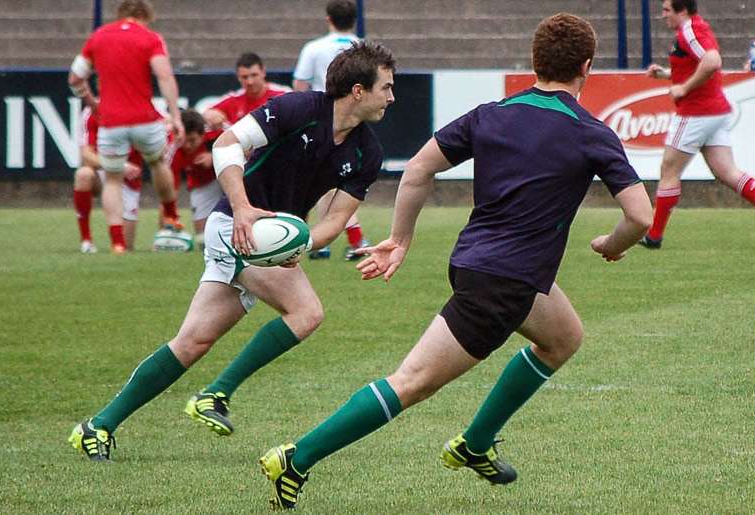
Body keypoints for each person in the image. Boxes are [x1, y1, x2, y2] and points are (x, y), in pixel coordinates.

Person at [257, 14, 653, 509]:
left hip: (479, 263)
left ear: (535, 62)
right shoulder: (589, 131)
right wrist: (614, 244)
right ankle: (298, 458)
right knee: (410, 383)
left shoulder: (491, 113)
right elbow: (640, 215)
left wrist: (401, 238)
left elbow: (419, 167)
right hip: (502, 284)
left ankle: (475, 444)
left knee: (563, 337)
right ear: (587, 67)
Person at [69, 41, 396, 461]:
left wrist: (303, 244)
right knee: (306, 311)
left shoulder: (368, 152)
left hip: (267, 240)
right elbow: (225, 144)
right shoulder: (296, 109)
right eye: (385, 87)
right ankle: (216, 394)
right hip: (234, 225)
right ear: (357, 90)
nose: (392, 97)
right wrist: (242, 209)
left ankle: (97, 427)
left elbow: (335, 220)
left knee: (192, 341)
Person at [640, 0, 755, 250]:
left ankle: (654, 236)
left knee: (669, 170)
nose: (663, 15)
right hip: (716, 112)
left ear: (683, 11)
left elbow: (712, 61)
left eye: (667, 10)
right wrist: (668, 74)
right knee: (727, 172)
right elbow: (697, 62)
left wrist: (683, 88)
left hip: (696, 113)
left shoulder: (689, 30)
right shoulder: (697, 27)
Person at [67, 0, 184, 254]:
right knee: (157, 163)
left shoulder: (98, 37)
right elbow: (164, 75)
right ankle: (172, 214)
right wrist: (174, 115)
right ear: (143, 15)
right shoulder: (151, 38)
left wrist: (89, 100)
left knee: (112, 179)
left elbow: (75, 78)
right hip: (144, 118)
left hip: (111, 121)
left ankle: (117, 242)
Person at [294, 0, 370, 260]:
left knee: (326, 180)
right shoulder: (364, 49)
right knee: (333, 179)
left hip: (322, 119)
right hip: (356, 120)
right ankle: (347, 240)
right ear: (354, 20)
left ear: (329, 19)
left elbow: (300, 85)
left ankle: (335, 241)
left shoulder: (314, 48)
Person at [73, 103, 144, 253]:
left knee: (128, 246)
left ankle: (167, 228)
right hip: (103, 170)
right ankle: (86, 241)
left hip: (128, 179)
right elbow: (86, 155)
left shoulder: (138, 108)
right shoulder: (92, 111)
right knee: (83, 174)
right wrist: (118, 165)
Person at [202, 52, 290, 134]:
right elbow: (206, 113)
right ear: (238, 77)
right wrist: (210, 115)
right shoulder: (234, 99)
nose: (250, 82)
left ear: (263, 72)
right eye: (245, 77)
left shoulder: (283, 94)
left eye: (254, 75)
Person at [166, 109, 219, 244]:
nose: (187, 145)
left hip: (230, 178)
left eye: (192, 140)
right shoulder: (174, 149)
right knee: (203, 238)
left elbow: (247, 150)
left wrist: (215, 157)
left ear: (203, 134)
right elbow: (169, 191)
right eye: (184, 140)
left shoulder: (218, 132)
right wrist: (168, 226)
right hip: (201, 183)